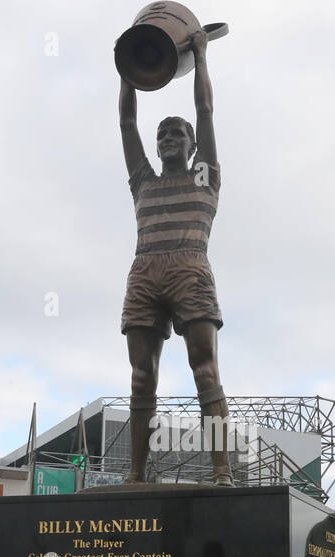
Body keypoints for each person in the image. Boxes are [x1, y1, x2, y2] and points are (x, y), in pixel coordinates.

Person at [118, 29, 232, 486]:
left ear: (191, 145)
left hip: (189, 268)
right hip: (145, 271)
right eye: (162, 132)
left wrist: (201, 58)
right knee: (141, 376)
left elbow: (205, 111)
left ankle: (222, 470)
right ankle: (137, 473)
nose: (167, 137)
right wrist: (128, 73)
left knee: (204, 368)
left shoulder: (205, 177)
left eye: (176, 133)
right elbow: (127, 125)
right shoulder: (142, 179)